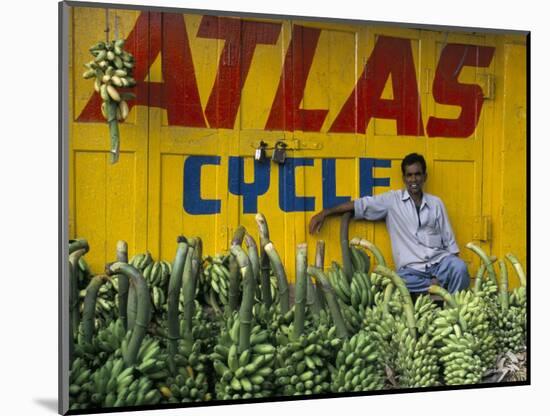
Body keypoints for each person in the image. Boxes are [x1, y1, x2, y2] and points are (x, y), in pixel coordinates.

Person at [308, 153, 470, 295]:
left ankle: (453, 310)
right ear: (404, 178)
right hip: (411, 271)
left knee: (460, 268)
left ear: (424, 177)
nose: (413, 179)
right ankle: (433, 286)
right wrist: (326, 212)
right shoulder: (392, 201)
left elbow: (450, 244)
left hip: (439, 263)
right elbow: (360, 205)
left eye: (418, 175)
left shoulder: (436, 203)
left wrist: (452, 268)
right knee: (393, 282)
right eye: (409, 175)